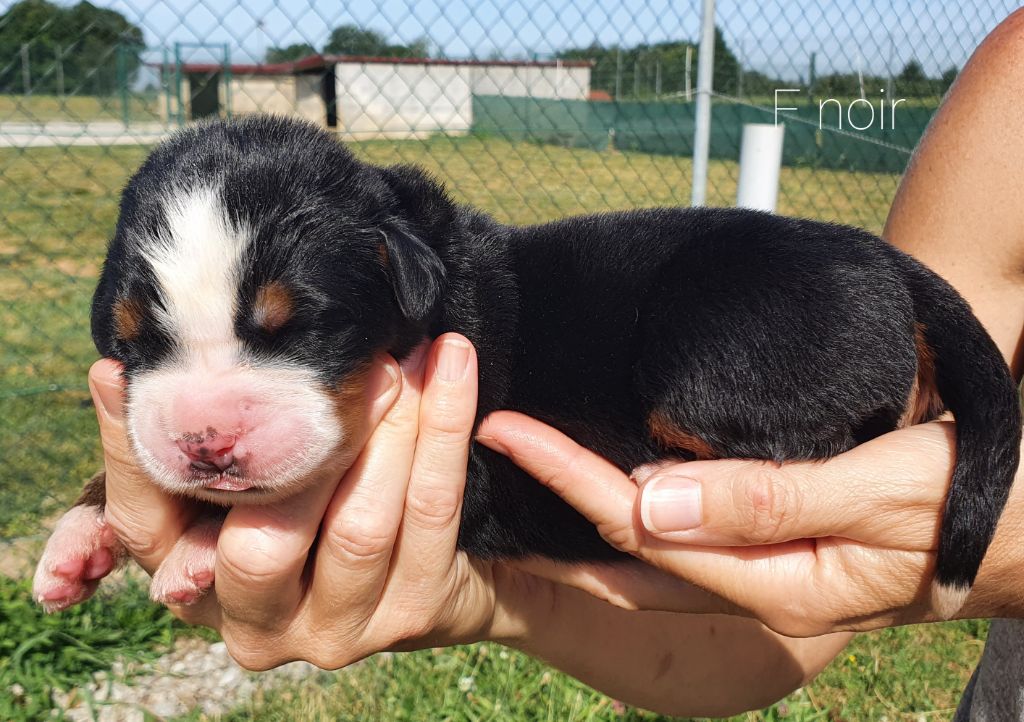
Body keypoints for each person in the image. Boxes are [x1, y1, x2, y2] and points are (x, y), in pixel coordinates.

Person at [90, 8, 1024, 717]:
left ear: (401, 276)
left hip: (762, 307)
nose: (205, 421)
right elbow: (772, 642)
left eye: (291, 332)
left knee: (698, 364)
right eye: (142, 343)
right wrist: (469, 601)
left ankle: (795, 439)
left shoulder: (452, 312)